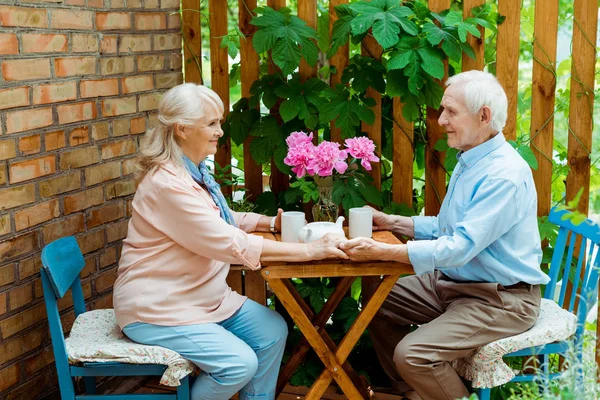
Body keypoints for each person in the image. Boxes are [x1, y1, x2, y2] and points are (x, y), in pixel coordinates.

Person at [113, 83, 347, 400]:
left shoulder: (193, 173)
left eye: (219, 122)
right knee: (239, 364)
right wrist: (309, 250)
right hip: (159, 308)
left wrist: (268, 222)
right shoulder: (168, 185)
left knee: (271, 330)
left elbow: (219, 219)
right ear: (182, 129)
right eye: (211, 123)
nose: (220, 132)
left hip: (200, 298)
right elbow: (229, 241)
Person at [339, 70, 550, 400]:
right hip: (456, 282)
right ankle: (418, 392)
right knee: (377, 299)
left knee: (413, 354)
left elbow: (460, 247)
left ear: (483, 116)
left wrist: (381, 252)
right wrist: (391, 222)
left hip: (501, 298)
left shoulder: (502, 175)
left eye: (451, 112)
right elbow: (447, 229)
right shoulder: (472, 160)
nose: (441, 121)